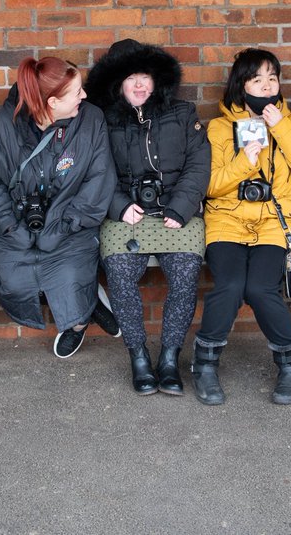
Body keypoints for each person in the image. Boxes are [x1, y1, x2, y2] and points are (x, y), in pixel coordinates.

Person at [191, 49, 291, 406]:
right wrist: (242, 162)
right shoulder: (219, 128)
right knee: (231, 285)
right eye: (256, 79)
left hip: (274, 221)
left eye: (272, 78)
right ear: (241, 84)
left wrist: (279, 126)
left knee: (261, 288)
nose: (266, 87)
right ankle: (204, 363)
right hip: (227, 219)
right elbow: (210, 185)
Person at [85, 39, 211, 396]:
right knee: (121, 272)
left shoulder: (183, 113)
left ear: (157, 81)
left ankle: (169, 358)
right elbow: (95, 170)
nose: (139, 85)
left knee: (186, 271)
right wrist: (119, 204)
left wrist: (181, 206)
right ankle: (138, 356)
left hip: (176, 212)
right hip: (125, 214)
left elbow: (199, 163)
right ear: (117, 83)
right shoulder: (100, 119)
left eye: (145, 77)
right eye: (130, 78)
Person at [0, 56, 118, 358]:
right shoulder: (2, 126)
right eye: (77, 92)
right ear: (53, 102)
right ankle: (89, 304)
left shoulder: (90, 119)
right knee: (15, 281)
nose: (84, 95)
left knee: (69, 275)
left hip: (71, 224)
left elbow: (99, 178)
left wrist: (67, 224)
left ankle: (78, 324)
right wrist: (10, 227)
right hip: (16, 224)